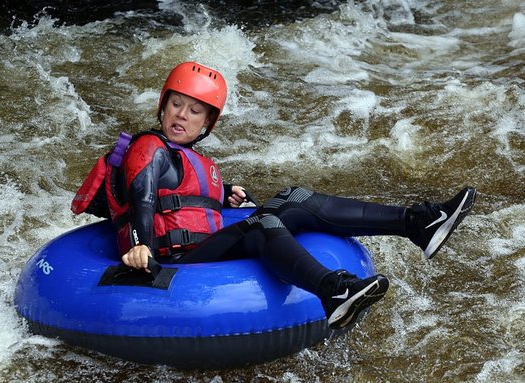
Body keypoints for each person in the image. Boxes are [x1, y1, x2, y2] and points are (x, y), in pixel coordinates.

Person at [71, 61, 476, 330]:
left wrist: (223, 194)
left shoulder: (190, 158)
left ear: (208, 123)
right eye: (176, 105)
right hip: (170, 263)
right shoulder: (148, 146)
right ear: (162, 108)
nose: (182, 115)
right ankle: (333, 290)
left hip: (201, 250)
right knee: (264, 224)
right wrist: (140, 246)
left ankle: (419, 223)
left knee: (293, 197)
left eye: (195, 111)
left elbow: (180, 199)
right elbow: (143, 195)